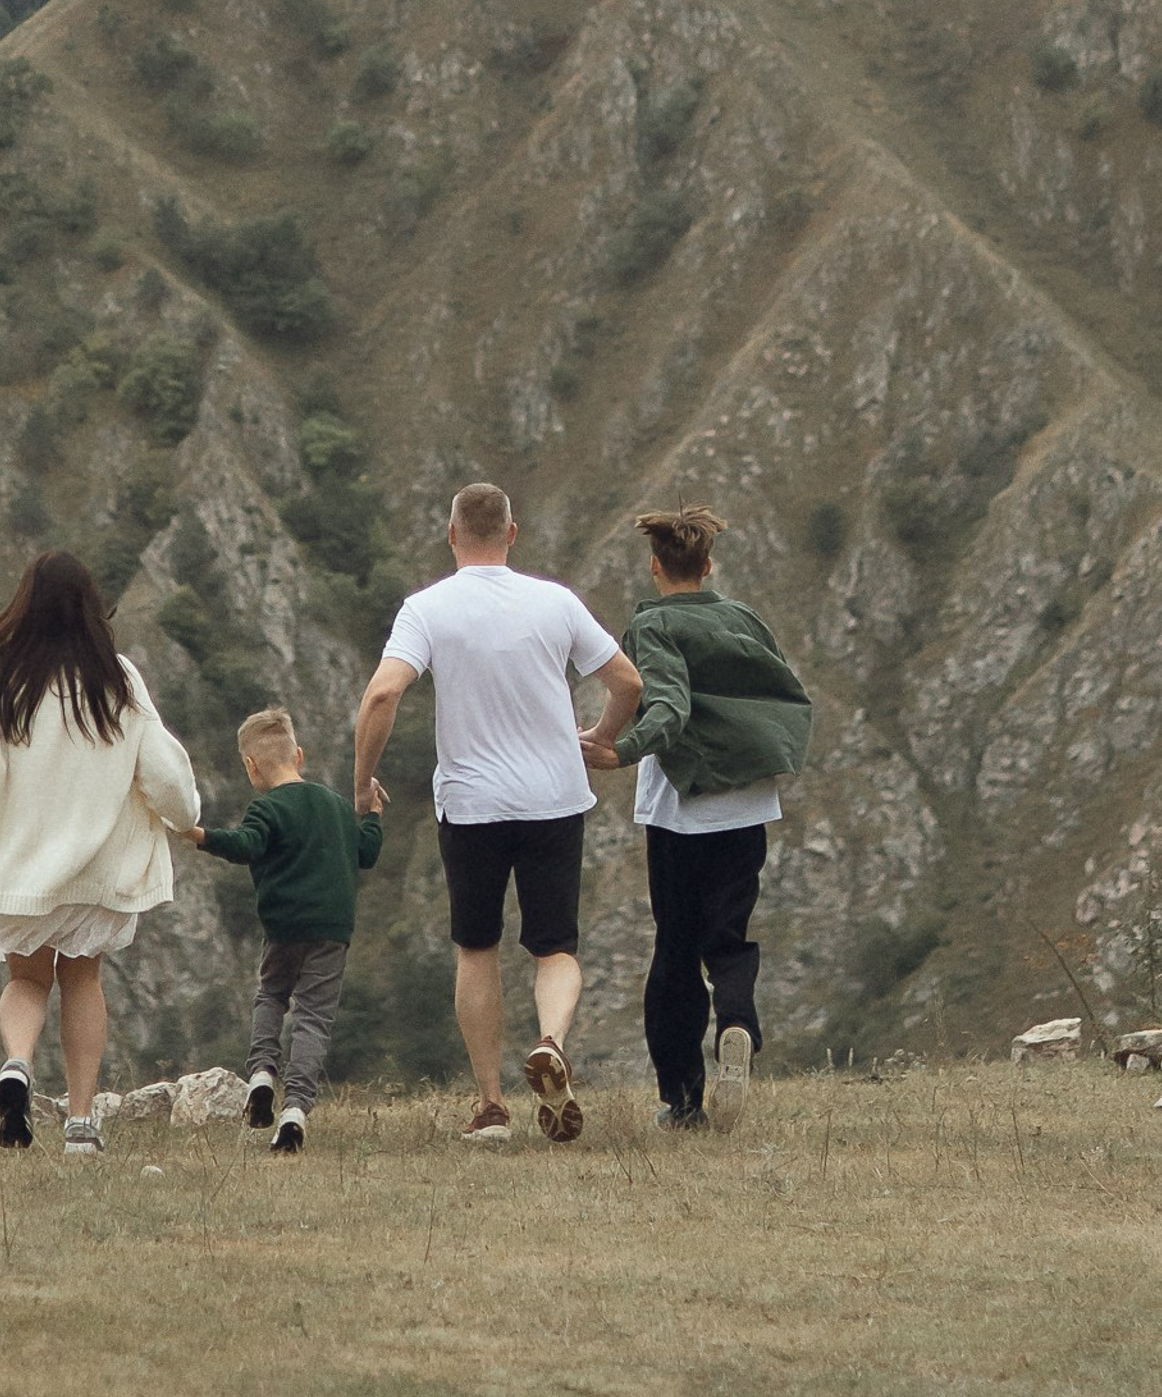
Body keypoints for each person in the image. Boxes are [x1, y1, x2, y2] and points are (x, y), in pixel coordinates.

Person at [352, 482, 642, 1143]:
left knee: (476, 948)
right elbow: (628, 682)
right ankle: (550, 1040)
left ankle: (490, 1107)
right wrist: (600, 738)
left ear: (451, 536)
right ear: (513, 534)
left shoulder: (426, 611)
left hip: (472, 805)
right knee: (555, 946)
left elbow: (380, 699)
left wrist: (362, 784)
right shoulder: (555, 603)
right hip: (555, 798)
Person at [0, 549, 201, 1158]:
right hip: (98, 866)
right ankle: (80, 1124)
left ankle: (16, 1066)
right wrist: (187, 821)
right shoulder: (115, 678)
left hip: (21, 861)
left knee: (26, 978)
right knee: (83, 979)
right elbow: (164, 775)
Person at [580, 504, 813, 1130]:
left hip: (681, 810)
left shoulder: (652, 623)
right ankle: (737, 1023)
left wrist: (617, 750)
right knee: (730, 938)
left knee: (676, 951)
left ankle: (682, 1102)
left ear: (657, 567)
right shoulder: (744, 618)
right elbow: (778, 690)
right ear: (707, 567)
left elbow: (670, 709)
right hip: (747, 803)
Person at [185, 703, 384, 1153]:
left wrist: (200, 835)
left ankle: (260, 1075)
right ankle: (295, 1110)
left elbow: (245, 845)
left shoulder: (266, 809)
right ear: (299, 755)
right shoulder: (334, 806)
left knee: (272, 996)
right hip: (332, 930)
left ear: (250, 765)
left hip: (282, 928)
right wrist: (371, 814)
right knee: (313, 1017)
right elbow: (366, 853)